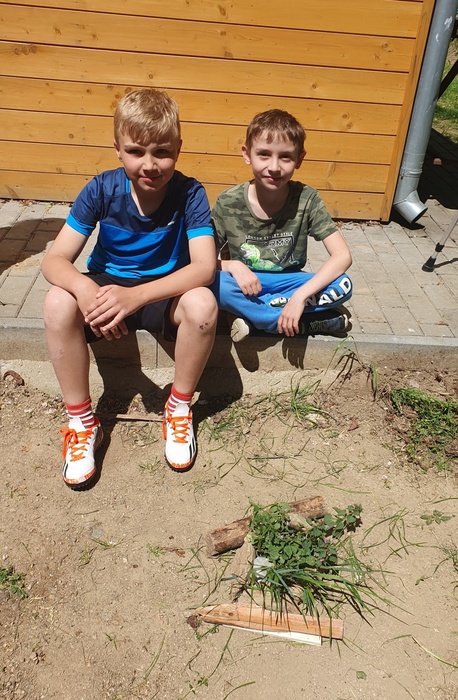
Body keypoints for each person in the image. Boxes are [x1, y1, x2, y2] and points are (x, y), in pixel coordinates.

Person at [41, 88, 218, 487]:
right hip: (106, 287)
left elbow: (205, 267)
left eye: (162, 152)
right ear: (118, 150)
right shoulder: (101, 189)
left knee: (203, 305)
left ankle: (178, 407)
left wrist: (136, 296)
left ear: (179, 149)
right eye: (136, 151)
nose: (150, 165)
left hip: (161, 290)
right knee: (56, 302)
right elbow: (54, 261)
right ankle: (83, 422)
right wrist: (85, 291)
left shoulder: (190, 193)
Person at [210, 109, 353, 342]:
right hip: (244, 283)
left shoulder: (307, 199)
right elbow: (201, 261)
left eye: (285, 157)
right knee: (212, 284)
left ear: (299, 159)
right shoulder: (228, 202)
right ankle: (298, 321)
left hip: (290, 283)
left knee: (343, 284)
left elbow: (342, 256)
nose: (274, 167)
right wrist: (233, 265)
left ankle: (254, 316)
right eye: (264, 154)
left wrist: (299, 297)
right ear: (247, 154)